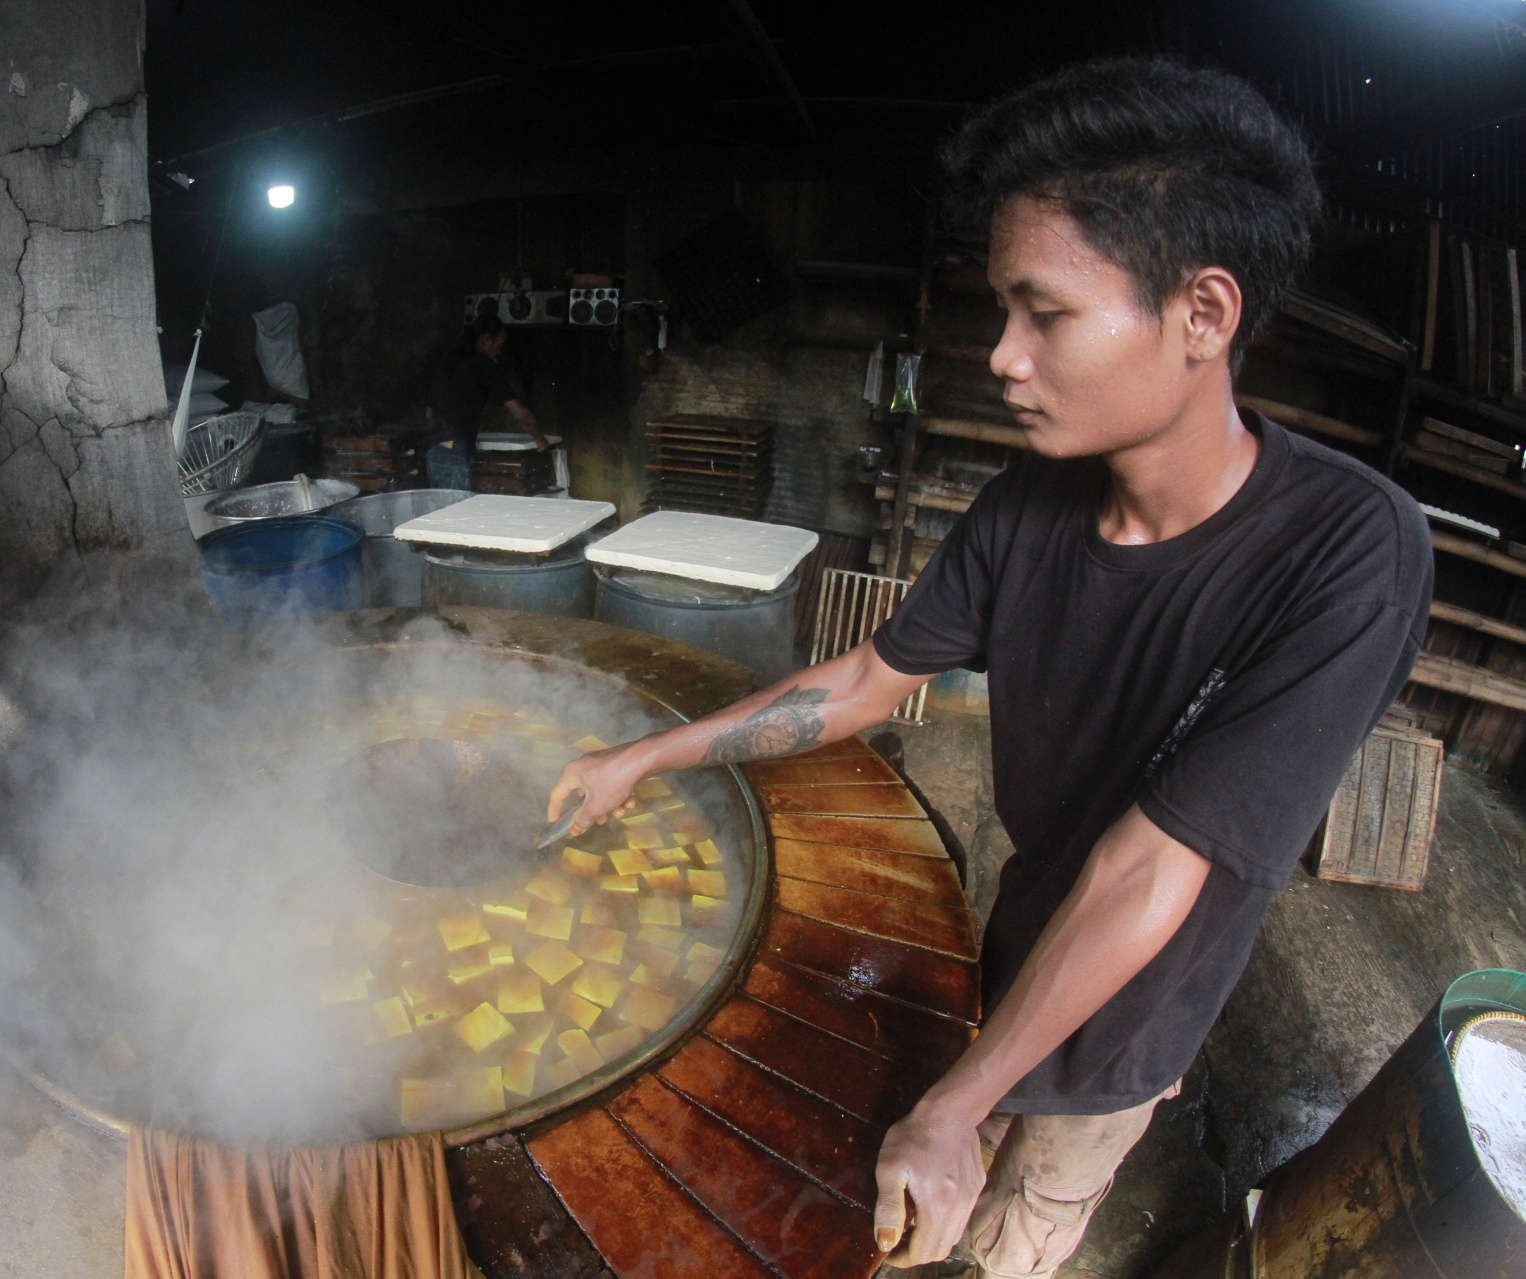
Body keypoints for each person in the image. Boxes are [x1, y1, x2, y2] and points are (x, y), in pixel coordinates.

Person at [546, 56, 1432, 1279]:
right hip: (1019, 931)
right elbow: (865, 682)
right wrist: (643, 754)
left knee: (1020, 1221)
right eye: (999, 312)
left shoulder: (1353, 551)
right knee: (927, 1167)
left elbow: (1147, 872)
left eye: (1045, 313)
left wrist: (958, 1109)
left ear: (1204, 313)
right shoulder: (1028, 507)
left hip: (1135, 1010)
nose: (1001, 355)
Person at [427, 312, 549, 490]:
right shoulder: (484, 365)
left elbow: (429, 412)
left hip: (434, 448)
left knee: (442, 511)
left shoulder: (448, 363)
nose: (499, 353)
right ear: (486, 339)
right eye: (499, 346)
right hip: (454, 450)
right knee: (457, 511)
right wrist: (540, 439)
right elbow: (520, 413)